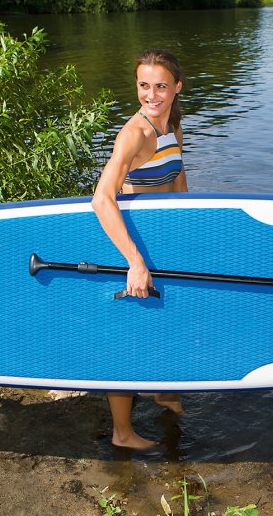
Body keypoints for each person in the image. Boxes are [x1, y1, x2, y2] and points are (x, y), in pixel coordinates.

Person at [92, 48, 188, 451]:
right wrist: (134, 262)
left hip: (161, 242)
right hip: (129, 245)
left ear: (176, 87)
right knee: (128, 336)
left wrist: (190, 234)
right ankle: (122, 432)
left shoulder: (173, 124)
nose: (152, 94)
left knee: (166, 321)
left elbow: (178, 179)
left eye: (161, 86)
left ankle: (162, 391)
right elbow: (101, 199)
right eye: (144, 85)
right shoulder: (134, 134)